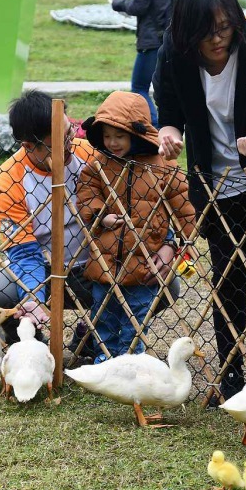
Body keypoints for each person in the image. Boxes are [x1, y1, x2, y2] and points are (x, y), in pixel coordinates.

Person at [153, 0, 246, 402]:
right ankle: (230, 379)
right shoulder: (174, 54)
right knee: (227, 282)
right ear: (188, 31)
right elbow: (171, 114)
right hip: (212, 186)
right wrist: (169, 134)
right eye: (208, 31)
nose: (218, 38)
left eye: (226, 27)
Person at [0, 91, 96, 360]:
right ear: (30, 146)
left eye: (70, 133)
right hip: (41, 270)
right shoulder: (9, 179)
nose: (70, 144)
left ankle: (90, 336)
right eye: (59, 141)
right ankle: (33, 347)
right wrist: (32, 296)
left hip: (92, 268)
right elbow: (23, 251)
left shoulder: (88, 155)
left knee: (165, 286)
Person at [77, 91, 196, 357]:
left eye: (119, 136)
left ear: (137, 133)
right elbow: (87, 193)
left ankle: (131, 359)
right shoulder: (100, 165)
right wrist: (99, 216)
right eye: (107, 136)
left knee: (136, 318)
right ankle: (104, 360)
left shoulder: (162, 165)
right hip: (105, 260)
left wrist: (185, 243)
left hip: (144, 261)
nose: (113, 142)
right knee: (102, 316)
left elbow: (184, 204)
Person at [111, 0, 181, 127]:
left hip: (152, 41)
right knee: (167, 88)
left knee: (140, 87)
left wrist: (117, 3)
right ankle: (171, 127)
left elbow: (137, 6)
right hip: (172, 40)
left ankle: (157, 127)